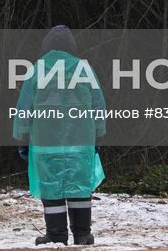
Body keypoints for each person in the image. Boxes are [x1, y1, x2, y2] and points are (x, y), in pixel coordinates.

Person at [13, 26, 105, 246]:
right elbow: (98, 105)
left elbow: (24, 108)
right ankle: (82, 234)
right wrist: (99, 135)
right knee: (79, 186)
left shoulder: (37, 70)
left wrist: (21, 138)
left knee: (51, 186)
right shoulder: (84, 70)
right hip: (80, 143)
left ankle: (56, 235)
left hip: (46, 144)